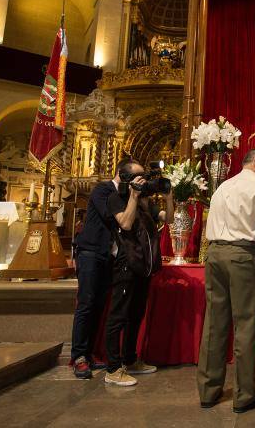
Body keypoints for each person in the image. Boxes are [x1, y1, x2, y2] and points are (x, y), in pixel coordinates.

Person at [197, 149, 255, 413]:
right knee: (246, 323)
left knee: (214, 322)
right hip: (243, 254)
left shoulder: (222, 187)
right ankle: (243, 394)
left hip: (215, 254)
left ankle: (208, 391)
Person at [70, 158, 144, 379]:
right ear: (123, 175)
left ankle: (90, 353)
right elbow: (119, 221)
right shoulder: (103, 190)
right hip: (92, 252)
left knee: (99, 305)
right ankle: (79, 356)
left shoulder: (124, 195)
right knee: (86, 303)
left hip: (108, 256)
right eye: (136, 176)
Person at [103, 160, 173, 387]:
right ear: (125, 178)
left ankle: (130, 360)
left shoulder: (145, 203)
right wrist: (133, 197)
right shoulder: (115, 198)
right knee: (118, 316)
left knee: (135, 315)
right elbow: (125, 223)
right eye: (139, 176)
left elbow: (169, 219)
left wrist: (169, 196)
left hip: (143, 266)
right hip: (125, 265)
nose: (144, 179)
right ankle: (113, 368)